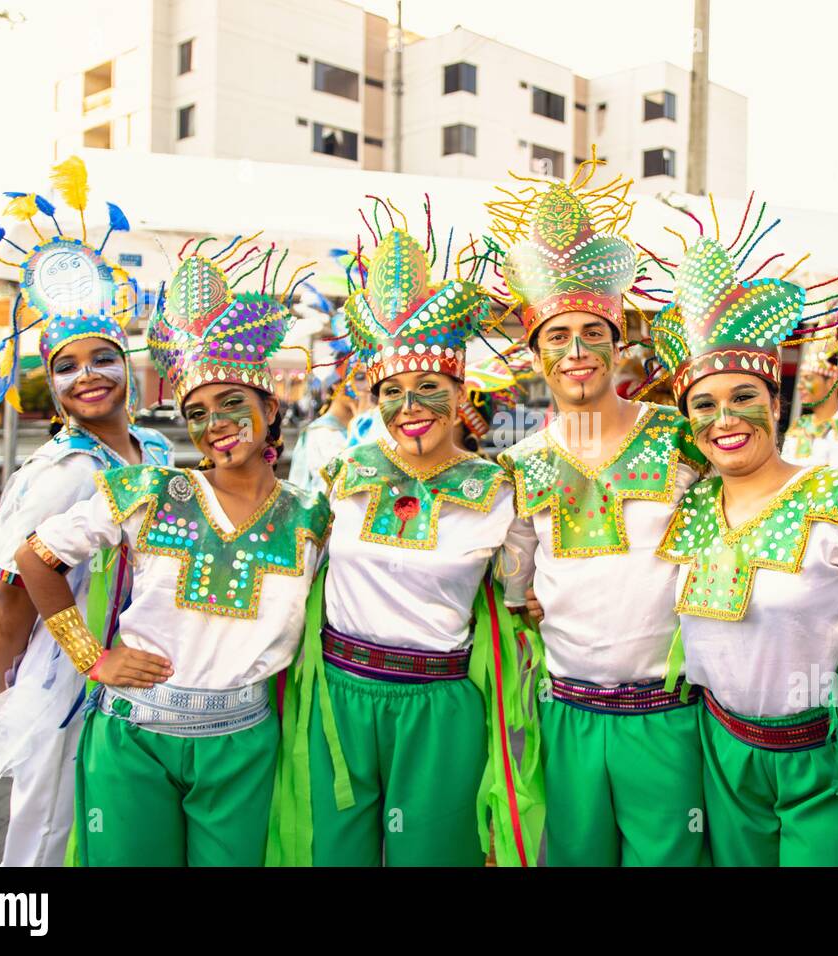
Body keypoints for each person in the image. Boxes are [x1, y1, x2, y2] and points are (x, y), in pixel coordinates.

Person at [11, 241, 329, 866]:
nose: (216, 423)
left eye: (232, 402)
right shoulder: (149, 491)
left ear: (270, 408)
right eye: (197, 412)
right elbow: (34, 558)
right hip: (134, 739)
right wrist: (89, 657)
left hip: (242, 743)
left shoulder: (315, 514)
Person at [0, 158, 173, 867]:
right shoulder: (63, 470)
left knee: (111, 823)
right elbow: (6, 583)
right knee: (48, 827)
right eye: (68, 366)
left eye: (103, 358)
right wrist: (9, 688)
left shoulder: (157, 450)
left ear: (128, 365)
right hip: (66, 669)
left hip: (141, 664)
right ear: (50, 387)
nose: (89, 376)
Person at [650, 233, 838, 867]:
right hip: (722, 758)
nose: (724, 420)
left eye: (743, 400)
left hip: (825, 756)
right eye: (704, 405)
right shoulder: (687, 507)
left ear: (775, 402)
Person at [268, 223, 541, 867]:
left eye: (428, 389)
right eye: (392, 391)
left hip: (439, 708)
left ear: (459, 394)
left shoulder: (501, 491)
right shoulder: (343, 473)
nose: (409, 405)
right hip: (340, 696)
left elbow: (527, 600)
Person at [490, 155, 710, 866]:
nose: (577, 350)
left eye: (594, 333)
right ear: (536, 355)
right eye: (557, 336)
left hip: (669, 716)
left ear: (621, 344)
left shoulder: (682, 436)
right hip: (567, 716)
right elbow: (513, 585)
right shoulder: (518, 464)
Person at [287, 309, 376, 492]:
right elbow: (347, 481)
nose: (368, 386)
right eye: (359, 377)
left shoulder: (369, 422)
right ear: (336, 384)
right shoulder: (322, 433)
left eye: (372, 377)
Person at [780, 334, 838, 468]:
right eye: (800, 379)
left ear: (831, 382)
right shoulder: (800, 425)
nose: (799, 385)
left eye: (808, 378)